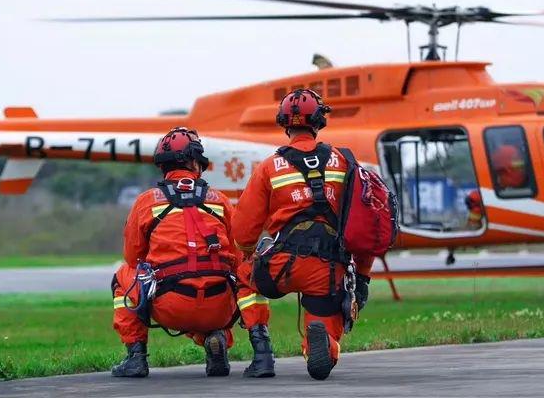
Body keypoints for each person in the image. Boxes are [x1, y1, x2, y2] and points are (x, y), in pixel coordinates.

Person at [233, 89, 373, 380]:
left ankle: (262, 352)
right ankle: (323, 345)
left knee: (244, 277)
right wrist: (361, 276)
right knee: (324, 328)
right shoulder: (344, 162)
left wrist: (248, 253)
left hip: (281, 266)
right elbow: (366, 224)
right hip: (328, 270)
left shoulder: (269, 167)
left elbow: (243, 232)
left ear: (284, 123)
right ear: (319, 121)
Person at [111, 127, 241, 378]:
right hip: (219, 307)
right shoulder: (221, 200)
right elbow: (239, 255)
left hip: (170, 305)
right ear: (195, 163)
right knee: (225, 276)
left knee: (123, 275)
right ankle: (217, 336)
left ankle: (136, 356)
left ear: (162, 164)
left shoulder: (146, 201)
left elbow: (133, 256)